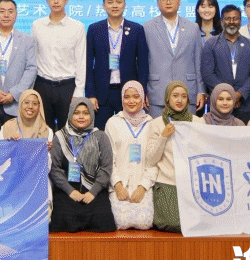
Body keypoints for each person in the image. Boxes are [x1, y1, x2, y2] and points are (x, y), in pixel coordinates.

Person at [85, 0, 148, 130]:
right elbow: (88, 64)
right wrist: (90, 94)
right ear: (103, 6)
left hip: (129, 93)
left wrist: (142, 92)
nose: (115, 5)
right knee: (101, 132)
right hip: (102, 93)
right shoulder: (94, 29)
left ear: (125, 4)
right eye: (110, 2)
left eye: (118, 2)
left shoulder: (137, 29)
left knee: (129, 132)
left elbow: (143, 64)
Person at [49, 98, 115, 233]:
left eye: (85, 113)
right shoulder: (60, 137)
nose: (81, 117)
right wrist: (70, 191)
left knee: (104, 221)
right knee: (60, 220)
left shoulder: (101, 136)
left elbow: (106, 168)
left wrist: (93, 192)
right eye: (76, 113)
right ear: (70, 114)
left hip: (94, 189)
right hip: (67, 190)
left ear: (92, 115)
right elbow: (55, 168)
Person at [31, 0, 88, 132]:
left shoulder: (77, 27)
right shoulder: (37, 25)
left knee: (69, 130)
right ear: (47, 1)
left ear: (66, 1)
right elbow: (33, 58)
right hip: (42, 85)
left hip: (67, 86)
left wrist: (79, 91)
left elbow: (81, 61)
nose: (56, 1)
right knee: (43, 130)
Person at [144, 0, 204, 118]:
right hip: (157, 93)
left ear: (179, 1)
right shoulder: (147, 28)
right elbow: (143, 63)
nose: (168, 2)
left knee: (187, 130)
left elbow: (198, 61)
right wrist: (144, 91)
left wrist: (201, 90)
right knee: (159, 129)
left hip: (187, 92)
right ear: (157, 3)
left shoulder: (193, 27)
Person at [103, 81, 157, 230]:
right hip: (120, 187)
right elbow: (108, 160)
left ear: (143, 99)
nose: (131, 101)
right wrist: (118, 185)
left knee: (145, 223)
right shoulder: (113, 123)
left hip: (143, 186)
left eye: (136, 96)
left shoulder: (152, 124)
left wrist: (143, 187)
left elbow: (154, 161)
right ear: (122, 99)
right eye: (127, 97)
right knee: (119, 222)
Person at [147, 81, 200, 233]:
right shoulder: (156, 124)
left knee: (195, 224)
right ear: (167, 98)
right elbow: (151, 159)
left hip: (191, 183)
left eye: (184, 96)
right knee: (172, 223)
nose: (179, 100)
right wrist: (163, 137)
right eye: (175, 96)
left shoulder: (197, 122)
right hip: (167, 182)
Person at [0, 0, 38, 128]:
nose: (6, 15)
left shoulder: (27, 40)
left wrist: (15, 93)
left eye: (10, 11)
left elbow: (31, 69)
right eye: (2, 11)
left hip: (16, 105)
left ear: (16, 15)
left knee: (14, 139)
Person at [201, 4, 250, 122]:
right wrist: (227, 95)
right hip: (218, 103)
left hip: (243, 103)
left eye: (235, 18)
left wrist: (239, 94)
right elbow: (208, 74)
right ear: (222, 22)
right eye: (228, 19)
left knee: (242, 132)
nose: (232, 22)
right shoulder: (211, 44)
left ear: (240, 21)